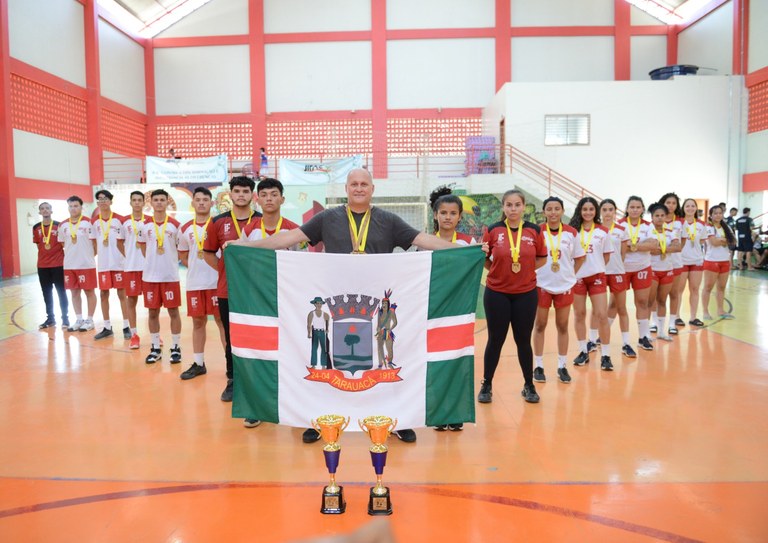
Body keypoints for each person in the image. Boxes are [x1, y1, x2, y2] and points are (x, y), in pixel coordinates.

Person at [234, 168, 456, 443]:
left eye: (364, 184)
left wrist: (462, 250)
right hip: (335, 307)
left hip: (374, 308)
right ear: (346, 189)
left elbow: (423, 240)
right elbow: (288, 239)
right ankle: (319, 418)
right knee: (328, 363)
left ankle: (395, 417)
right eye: (354, 184)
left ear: (372, 189)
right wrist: (246, 247)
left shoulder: (388, 220)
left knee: (384, 362)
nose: (359, 188)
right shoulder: (328, 218)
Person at [479, 190, 547, 403]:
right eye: (509, 205)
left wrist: (525, 271)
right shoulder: (493, 230)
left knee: (523, 341)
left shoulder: (534, 231)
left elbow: (542, 259)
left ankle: (528, 384)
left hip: (525, 294)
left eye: (517, 205)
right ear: (503, 207)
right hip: (497, 293)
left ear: (524, 206)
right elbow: (484, 258)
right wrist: (497, 271)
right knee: (495, 340)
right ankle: (487, 384)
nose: (513, 209)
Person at [204, 176, 261, 404]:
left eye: (245, 191)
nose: (241, 195)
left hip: (257, 290)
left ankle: (257, 379)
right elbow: (209, 253)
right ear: (230, 193)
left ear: (252, 195)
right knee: (231, 337)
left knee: (258, 336)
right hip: (228, 290)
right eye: (236, 191)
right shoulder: (218, 222)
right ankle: (233, 380)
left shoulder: (261, 221)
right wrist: (224, 269)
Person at [429, 186, 475, 430]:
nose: (448, 217)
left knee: (458, 359)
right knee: (437, 360)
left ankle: (455, 412)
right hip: (433, 312)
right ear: (435, 215)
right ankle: (440, 412)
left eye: (453, 213)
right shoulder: (426, 242)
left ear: (460, 216)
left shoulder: (470, 243)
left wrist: (481, 253)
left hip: (459, 311)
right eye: (443, 212)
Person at [532, 197, 585, 384]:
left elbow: (580, 258)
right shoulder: (537, 231)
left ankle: (562, 366)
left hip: (564, 285)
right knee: (540, 325)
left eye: (557, 209)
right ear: (544, 211)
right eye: (549, 209)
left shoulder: (571, 232)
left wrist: (570, 276)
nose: (553, 212)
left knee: (562, 326)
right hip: (542, 284)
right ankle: (538, 366)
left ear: (562, 211)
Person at [178, 187, 226, 382]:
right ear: (193, 203)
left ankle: (231, 366)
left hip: (217, 282)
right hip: (195, 283)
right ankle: (198, 363)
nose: (201, 203)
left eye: (205, 200)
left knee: (222, 322)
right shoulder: (185, 228)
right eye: (198, 200)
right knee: (198, 323)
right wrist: (198, 269)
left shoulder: (219, 224)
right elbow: (182, 255)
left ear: (212, 203)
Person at [569, 197, 614, 371]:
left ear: (596, 211)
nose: (588, 212)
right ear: (580, 210)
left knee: (601, 314)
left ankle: (606, 355)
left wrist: (595, 267)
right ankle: (582, 351)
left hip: (597, 277)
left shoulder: (602, 231)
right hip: (577, 278)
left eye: (591, 209)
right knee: (579, 314)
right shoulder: (573, 231)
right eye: (585, 209)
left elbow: (606, 256)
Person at [138, 189, 182, 364]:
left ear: (167, 202)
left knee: (173, 311)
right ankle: (155, 348)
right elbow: (142, 248)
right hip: (150, 277)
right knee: (153, 312)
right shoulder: (144, 226)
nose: (159, 203)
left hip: (170, 276)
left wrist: (169, 262)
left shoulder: (175, 225)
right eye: (155, 200)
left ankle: (176, 347)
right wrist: (152, 262)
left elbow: (180, 250)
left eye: (162, 200)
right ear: (151, 203)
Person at [619, 196, 657, 351]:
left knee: (642, 302)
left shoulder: (648, 226)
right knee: (615, 304)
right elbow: (616, 247)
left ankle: (643, 337)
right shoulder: (620, 225)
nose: (634, 209)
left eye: (638, 207)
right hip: (621, 268)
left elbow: (653, 245)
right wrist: (642, 245)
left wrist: (630, 246)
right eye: (632, 207)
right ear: (627, 208)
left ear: (642, 209)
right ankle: (602, 336)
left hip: (642, 268)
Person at [598, 199, 635, 358]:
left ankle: (626, 343)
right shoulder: (596, 229)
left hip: (617, 272)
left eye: (610, 209)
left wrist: (617, 267)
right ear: (601, 211)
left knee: (621, 308)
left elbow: (622, 254)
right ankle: (594, 340)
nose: (607, 213)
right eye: (604, 209)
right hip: (599, 272)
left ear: (615, 211)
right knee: (599, 311)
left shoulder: (621, 230)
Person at [91, 190, 129, 340]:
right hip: (103, 264)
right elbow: (94, 242)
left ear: (111, 202)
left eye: (105, 199)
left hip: (119, 263)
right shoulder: (94, 222)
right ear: (97, 203)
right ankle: (107, 327)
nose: (102, 201)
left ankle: (126, 326)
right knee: (103, 294)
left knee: (122, 293)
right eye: (99, 199)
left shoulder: (120, 220)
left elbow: (125, 241)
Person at [57, 196, 97, 332]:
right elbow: (63, 243)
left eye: (76, 206)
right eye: (70, 206)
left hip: (86, 264)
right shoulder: (63, 225)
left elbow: (95, 244)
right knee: (74, 293)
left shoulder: (89, 223)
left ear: (81, 207)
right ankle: (79, 319)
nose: (73, 208)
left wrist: (88, 256)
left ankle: (90, 320)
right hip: (69, 265)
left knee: (89, 292)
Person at [647, 203, 681, 341]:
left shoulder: (670, 232)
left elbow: (677, 247)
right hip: (652, 270)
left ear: (666, 217)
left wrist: (661, 249)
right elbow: (649, 248)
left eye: (662, 216)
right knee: (650, 301)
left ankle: (661, 331)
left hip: (667, 270)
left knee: (662, 300)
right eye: (657, 216)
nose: (660, 218)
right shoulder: (648, 231)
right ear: (652, 217)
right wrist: (667, 248)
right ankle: (647, 332)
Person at [33, 202, 69, 329]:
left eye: (47, 208)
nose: (45, 210)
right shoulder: (36, 227)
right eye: (42, 208)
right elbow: (39, 245)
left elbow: (63, 243)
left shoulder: (59, 225)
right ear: (40, 212)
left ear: (51, 211)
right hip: (42, 266)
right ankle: (50, 319)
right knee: (46, 292)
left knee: (61, 291)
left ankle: (65, 319)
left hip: (58, 264)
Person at [121, 191, 149, 349]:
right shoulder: (124, 222)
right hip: (131, 267)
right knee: (131, 301)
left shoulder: (150, 221)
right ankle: (134, 335)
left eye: (140, 200)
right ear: (130, 202)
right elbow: (120, 244)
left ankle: (155, 336)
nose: (137, 203)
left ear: (144, 203)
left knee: (153, 305)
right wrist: (130, 257)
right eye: (134, 200)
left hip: (148, 269)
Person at [701, 205, 737, 319]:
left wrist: (721, 240)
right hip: (712, 261)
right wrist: (725, 240)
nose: (718, 215)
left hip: (725, 261)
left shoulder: (727, 227)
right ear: (711, 215)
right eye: (715, 213)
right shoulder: (708, 227)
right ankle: (705, 312)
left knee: (721, 288)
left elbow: (734, 242)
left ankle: (721, 311)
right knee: (708, 287)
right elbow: (714, 242)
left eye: (720, 213)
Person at [657, 193, 685, 336]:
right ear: (663, 203)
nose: (671, 205)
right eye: (668, 202)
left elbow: (682, 242)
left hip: (676, 262)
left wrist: (673, 250)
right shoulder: (657, 220)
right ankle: (654, 323)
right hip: (658, 263)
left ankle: (672, 323)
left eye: (674, 203)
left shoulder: (681, 222)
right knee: (658, 296)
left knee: (674, 293)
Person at [679, 198, 708, 326]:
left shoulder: (701, 224)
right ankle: (676, 317)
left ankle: (693, 317)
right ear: (683, 208)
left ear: (696, 208)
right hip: (681, 260)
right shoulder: (678, 223)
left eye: (692, 206)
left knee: (695, 289)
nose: (690, 208)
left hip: (696, 260)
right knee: (678, 290)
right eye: (687, 206)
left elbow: (701, 241)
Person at [307, 297, 330, 369]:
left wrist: (327, 329)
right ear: (315, 304)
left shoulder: (325, 314)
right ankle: (314, 365)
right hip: (315, 332)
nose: (319, 305)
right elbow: (309, 324)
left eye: (320, 303)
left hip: (322, 331)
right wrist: (309, 333)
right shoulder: (311, 314)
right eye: (317, 303)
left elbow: (327, 323)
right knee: (314, 348)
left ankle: (323, 365)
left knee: (323, 348)